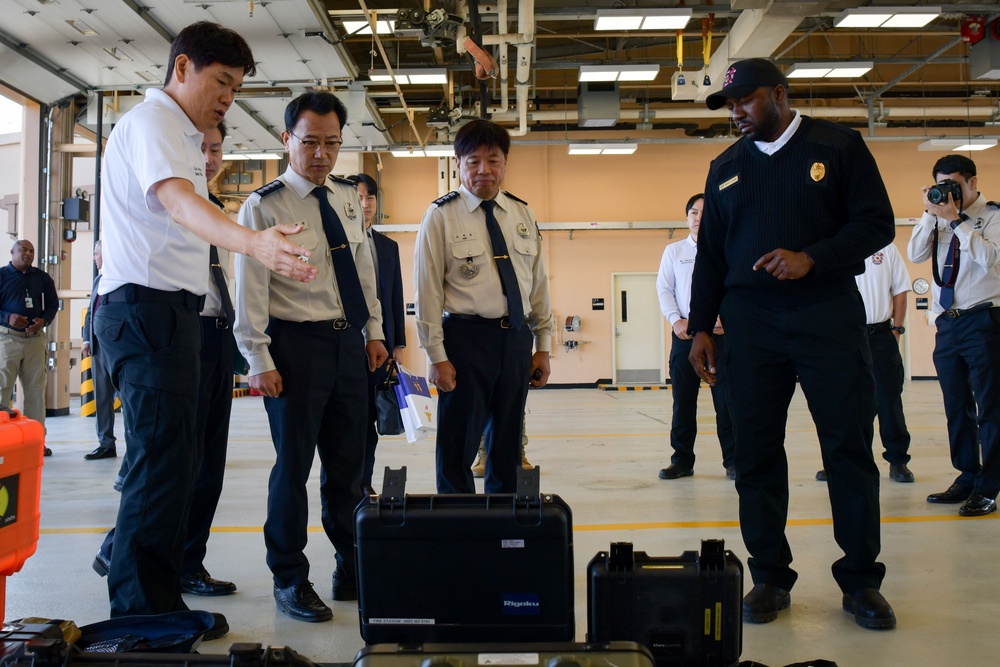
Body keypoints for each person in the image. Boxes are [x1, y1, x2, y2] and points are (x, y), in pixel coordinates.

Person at [94, 20, 317, 623]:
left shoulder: (182, 136)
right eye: (221, 81)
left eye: (237, 88)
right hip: (147, 311)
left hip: (172, 313)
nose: (227, 98)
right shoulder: (154, 123)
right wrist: (254, 244)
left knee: (177, 464)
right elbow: (177, 203)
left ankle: (159, 601)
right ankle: (139, 616)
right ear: (183, 66)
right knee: (159, 462)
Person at [689, 58, 896, 629]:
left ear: (780, 94)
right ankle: (769, 577)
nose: (736, 113)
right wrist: (701, 325)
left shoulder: (839, 146)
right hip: (750, 324)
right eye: (730, 105)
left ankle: (860, 582)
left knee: (848, 449)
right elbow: (711, 255)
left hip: (826, 314)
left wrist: (814, 257)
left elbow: (878, 223)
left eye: (746, 100)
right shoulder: (725, 167)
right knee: (754, 453)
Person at [234, 91, 387, 623]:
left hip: (349, 345)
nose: (322, 154)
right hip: (294, 349)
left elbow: (363, 269)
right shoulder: (263, 204)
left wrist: (374, 332)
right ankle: (289, 577)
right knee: (294, 467)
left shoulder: (347, 197)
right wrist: (258, 358)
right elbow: (250, 286)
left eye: (332, 143)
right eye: (311, 142)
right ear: (286, 140)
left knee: (350, 467)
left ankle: (350, 562)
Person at [93, 122, 240, 598]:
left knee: (203, 463)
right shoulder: (159, 205)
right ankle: (130, 559)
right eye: (201, 149)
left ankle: (186, 564)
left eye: (216, 149)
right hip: (174, 328)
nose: (209, 158)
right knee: (167, 460)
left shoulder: (218, 214)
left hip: (216, 335)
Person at [414, 118, 552, 494]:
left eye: (493, 160)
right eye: (472, 161)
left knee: (507, 442)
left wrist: (544, 347)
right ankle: (457, 529)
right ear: (458, 163)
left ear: (505, 163)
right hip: (465, 341)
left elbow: (537, 284)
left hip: (516, 341)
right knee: (458, 444)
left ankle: (501, 527)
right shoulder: (441, 215)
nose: (483, 171)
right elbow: (426, 293)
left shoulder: (523, 214)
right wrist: (435, 356)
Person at [907, 154, 1000, 517]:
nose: (949, 192)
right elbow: (915, 254)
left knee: (990, 408)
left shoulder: (992, 217)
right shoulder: (938, 217)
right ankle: (967, 475)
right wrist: (931, 214)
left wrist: (957, 220)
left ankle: (989, 486)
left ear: (972, 183)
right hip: (947, 323)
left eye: (954, 186)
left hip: (983, 321)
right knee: (956, 407)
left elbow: (990, 258)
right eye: (942, 185)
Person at [817, 243, 914, 483]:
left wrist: (897, 329)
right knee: (844, 404)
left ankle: (897, 460)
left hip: (880, 335)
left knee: (888, 400)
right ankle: (841, 462)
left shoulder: (887, 248)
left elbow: (900, 289)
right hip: (843, 336)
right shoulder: (831, 246)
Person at [655, 193, 736, 481]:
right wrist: (676, 321)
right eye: (693, 212)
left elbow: (735, 289)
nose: (698, 217)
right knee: (684, 402)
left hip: (720, 338)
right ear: (686, 218)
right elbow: (664, 289)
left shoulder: (726, 250)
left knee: (726, 402)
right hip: (686, 337)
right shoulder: (674, 252)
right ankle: (682, 461)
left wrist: (725, 319)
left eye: (704, 212)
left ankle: (733, 461)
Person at [352, 173, 406, 489]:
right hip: (347, 343)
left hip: (380, 349)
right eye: (358, 198)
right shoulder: (339, 242)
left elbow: (394, 295)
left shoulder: (388, 246)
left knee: (373, 419)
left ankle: (365, 483)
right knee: (351, 421)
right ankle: (350, 484)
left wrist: (397, 344)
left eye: (370, 197)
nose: (365, 204)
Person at [0, 239, 57, 457]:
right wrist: (8, 316)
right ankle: (3, 442)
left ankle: (36, 442)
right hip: (7, 340)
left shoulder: (41, 278)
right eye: (23, 250)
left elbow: (52, 305)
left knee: (35, 393)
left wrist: (44, 320)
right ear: (12, 252)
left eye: (31, 250)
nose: (28, 254)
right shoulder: (2, 276)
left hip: (34, 341)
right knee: (2, 390)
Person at [82, 240, 117, 461]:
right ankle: (106, 443)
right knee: (102, 398)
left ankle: (138, 443)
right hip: (97, 348)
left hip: (117, 347)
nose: (95, 258)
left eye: (97, 254)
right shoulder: (99, 280)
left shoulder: (119, 279)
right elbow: (89, 313)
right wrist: (86, 339)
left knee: (128, 396)